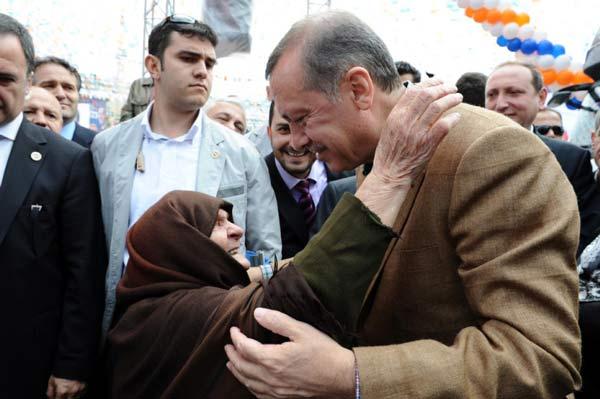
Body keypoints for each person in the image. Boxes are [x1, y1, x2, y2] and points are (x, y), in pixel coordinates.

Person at [225, 11, 581, 398]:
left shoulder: (492, 152)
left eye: (303, 118)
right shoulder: (374, 159)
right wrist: (242, 271)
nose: (297, 141)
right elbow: (356, 258)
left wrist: (352, 374)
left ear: (359, 89)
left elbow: (538, 357)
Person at [92, 15, 281, 337]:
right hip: (125, 324)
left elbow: (268, 251)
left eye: (209, 63)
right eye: (188, 58)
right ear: (154, 65)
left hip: (210, 325)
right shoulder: (107, 147)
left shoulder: (240, 153)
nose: (201, 71)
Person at [0, 13, 106, 399]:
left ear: (28, 82)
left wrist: (72, 363)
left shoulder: (67, 162)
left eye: (4, 79)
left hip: (24, 364)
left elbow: (84, 271)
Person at [486, 61, 600, 255]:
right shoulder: (459, 153)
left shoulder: (570, 159)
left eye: (513, 92)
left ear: (541, 98)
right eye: (492, 95)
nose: (501, 104)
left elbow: (581, 234)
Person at [265, 101, 347, 257]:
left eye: (306, 129)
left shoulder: (349, 174)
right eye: (284, 130)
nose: (295, 143)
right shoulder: (254, 184)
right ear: (269, 133)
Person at [33, 56, 96, 147]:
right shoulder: (12, 137)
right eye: (49, 86)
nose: (61, 94)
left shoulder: (97, 146)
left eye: (68, 88)